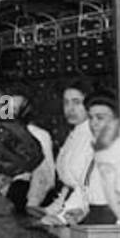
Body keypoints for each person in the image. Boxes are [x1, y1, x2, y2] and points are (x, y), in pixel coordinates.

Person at [44, 83, 94, 221]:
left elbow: (85, 186)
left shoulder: (93, 136)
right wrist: (52, 211)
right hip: (71, 208)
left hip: (87, 211)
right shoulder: (73, 134)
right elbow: (68, 184)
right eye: (66, 103)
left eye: (77, 102)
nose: (70, 109)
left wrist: (62, 216)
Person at [3, 88, 56, 214]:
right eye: (8, 109)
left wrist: (32, 205)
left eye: (15, 109)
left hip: (27, 198)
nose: (11, 114)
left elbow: (46, 176)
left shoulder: (39, 135)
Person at [81, 90, 119, 223]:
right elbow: (85, 189)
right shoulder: (95, 151)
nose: (93, 123)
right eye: (90, 118)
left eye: (100, 118)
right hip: (94, 217)